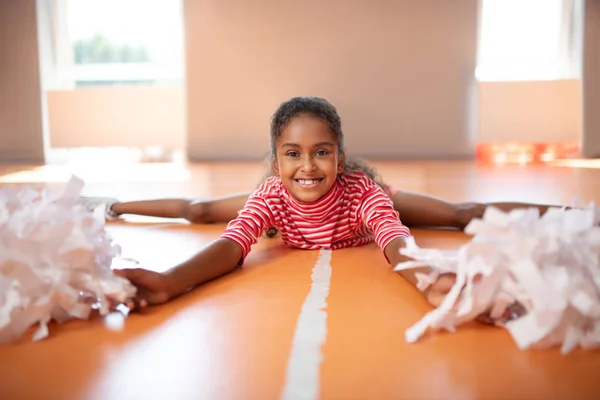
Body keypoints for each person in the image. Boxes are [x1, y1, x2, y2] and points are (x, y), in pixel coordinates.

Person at [110, 96, 470, 315]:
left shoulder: (363, 192)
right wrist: (171, 281)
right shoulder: (271, 195)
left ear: (340, 160)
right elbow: (232, 244)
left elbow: (394, 239)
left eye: (322, 153)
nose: (309, 165)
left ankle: (527, 214)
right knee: (200, 211)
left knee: (460, 215)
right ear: (275, 164)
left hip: (359, 205)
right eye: (294, 154)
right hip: (286, 202)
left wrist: (429, 277)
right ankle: (113, 206)